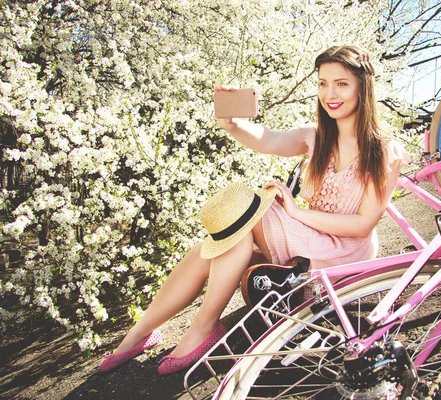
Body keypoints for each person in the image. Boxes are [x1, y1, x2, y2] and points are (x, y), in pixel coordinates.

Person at [99, 45, 410, 375]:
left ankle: (204, 328)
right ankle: (140, 332)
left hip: (342, 257)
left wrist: (295, 211)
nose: (329, 94)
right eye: (322, 83)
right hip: (304, 242)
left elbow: (362, 226)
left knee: (247, 213)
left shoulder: (384, 151)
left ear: (363, 85)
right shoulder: (316, 137)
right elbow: (269, 139)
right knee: (212, 245)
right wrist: (233, 124)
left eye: (341, 84)